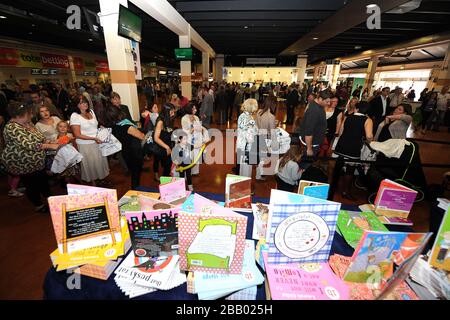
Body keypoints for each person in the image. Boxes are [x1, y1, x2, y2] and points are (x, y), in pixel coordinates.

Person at [0, 101, 60, 212]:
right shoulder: (12, 128)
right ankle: (39, 206)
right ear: (19, 115)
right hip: (24, 163)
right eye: (29, 113)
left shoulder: (28, 123)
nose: (31, 115)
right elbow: (29, 145)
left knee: (43, 181)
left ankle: (50, 199)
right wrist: (50, 146)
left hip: (37, 162)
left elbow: (40, 137)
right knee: (32, 185)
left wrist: (51, 141)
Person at [332, 102, 373, 200]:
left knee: (337, 167)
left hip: (342, 145)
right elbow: (369, 136)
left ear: (357, 109)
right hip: (353, 147)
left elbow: (341, 131)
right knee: (350, 170)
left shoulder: (347, 117)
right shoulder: (367, 120)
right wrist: (369, 141)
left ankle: (333, 188)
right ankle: (346, 192)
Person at [70, 95, 110, 186]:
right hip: (86, 145)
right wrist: (93, 138)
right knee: (90, 163)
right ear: (76, 105)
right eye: (81, 103)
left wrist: (101, 127)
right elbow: (77, 135)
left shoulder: (91, 111)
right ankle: (94, 183)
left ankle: (101, 179)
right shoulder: (75, 116)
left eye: (85, 101)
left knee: (99, 161)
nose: (84, 104)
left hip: (97, 142)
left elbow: (94, 126)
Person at [104, 105, 145, 190]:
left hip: (125, 152)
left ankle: (135, 188)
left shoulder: (113, 126)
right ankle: (135, 190)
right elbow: (142, 136)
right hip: (134, 152)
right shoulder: (127, 126)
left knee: (134, 172)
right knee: (136, 174)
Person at [296, 90, 331, 169]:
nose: (329, 104)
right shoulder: (314, 111)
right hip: (310, 145)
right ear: (320, 99)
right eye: (327, 101)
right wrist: (309, 148)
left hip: (312, 143)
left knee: (305, 165)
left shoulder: (318, 105)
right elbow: (309, 132)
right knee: (304, 167)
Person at [181, 102, 209, 176]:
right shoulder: (184, 118)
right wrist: (192, 129)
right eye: (194, 109)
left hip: (197, 138)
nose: (196, 110)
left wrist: (201, 129)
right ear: (189, 109)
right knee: (189, 156)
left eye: (195, 108)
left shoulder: (196, 117)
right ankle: (187, 173)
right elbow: (184, 131)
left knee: (197, 155)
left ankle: (195, 171)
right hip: (188, 139)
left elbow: (199, 127)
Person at [236, 99, 259, 178]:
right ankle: (244, 186)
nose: (256, 108)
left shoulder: (245, 116)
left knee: (244, 168)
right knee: (245, 169)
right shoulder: (246, 117)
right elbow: (248, 134)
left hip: (243, 145)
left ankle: (243, 185)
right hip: (245, 146)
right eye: (255, 106)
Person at [153, 102, 176, 178]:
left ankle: (165, 178)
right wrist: (167, 147)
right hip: (162, 146)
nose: (173, 114)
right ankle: (163, 182)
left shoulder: (169, 119)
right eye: (171, 112)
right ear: (166, 112)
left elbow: (170, 131)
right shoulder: (160, 121)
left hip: (168, 144)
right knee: (160, 161)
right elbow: (156, 138)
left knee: (168, 165)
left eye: (173, 112)